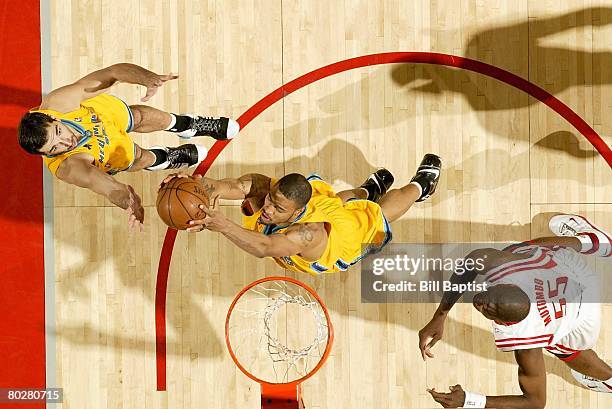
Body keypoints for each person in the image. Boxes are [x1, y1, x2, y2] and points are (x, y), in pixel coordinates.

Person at [419, 214, 612, 408]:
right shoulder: (508, 268)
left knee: (562, 348)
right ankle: (597, 242)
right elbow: (472, 262)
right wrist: (440, 316)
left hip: (580, 320)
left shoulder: (526, 340)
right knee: (527, 249)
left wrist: (468, 400)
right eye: (489, 294)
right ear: (509, 284)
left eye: (489, 309)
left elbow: (536, 402)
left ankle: (609, 380)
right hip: (574, 274)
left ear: (504, 323)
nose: (479, 301)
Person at [17, 63, 239, 228]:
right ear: (46, 155)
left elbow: (112, 73)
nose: (66, 142)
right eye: (55, 148)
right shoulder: (69, 167)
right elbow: (106, 186)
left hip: (102, 114)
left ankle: (187, 124)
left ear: (53, 119)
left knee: (141, 116)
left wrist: (146, 77)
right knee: (139, 158)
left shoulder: (59, 103)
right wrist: (129, 201)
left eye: (59, 132)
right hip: (106, 151)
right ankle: (166, 157)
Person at [164, 154, 442, 275]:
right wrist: (194, 184)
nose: (268, 209)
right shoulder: (271, 191)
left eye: (277, 208)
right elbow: (229, 186)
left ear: (297, 212)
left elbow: (265, 247)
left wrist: (221, 224)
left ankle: (420, 186)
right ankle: (367, 188)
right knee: (337, 199)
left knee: (378, 214)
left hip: (341, 240)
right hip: (322, 205)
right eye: (271, 200)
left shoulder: (305, 234)